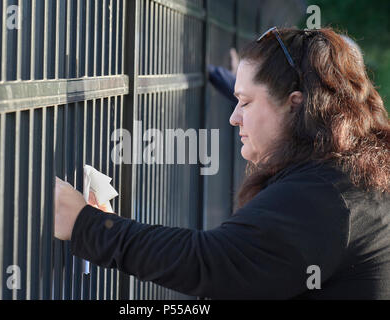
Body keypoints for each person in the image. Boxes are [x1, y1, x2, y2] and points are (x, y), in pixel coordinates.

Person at [54, 27, 390, 299]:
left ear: (294, 105)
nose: (233, 118)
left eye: (245, 102)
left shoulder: (327, 193)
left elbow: (212, 263)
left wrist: (88, 226)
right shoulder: (345, 171)